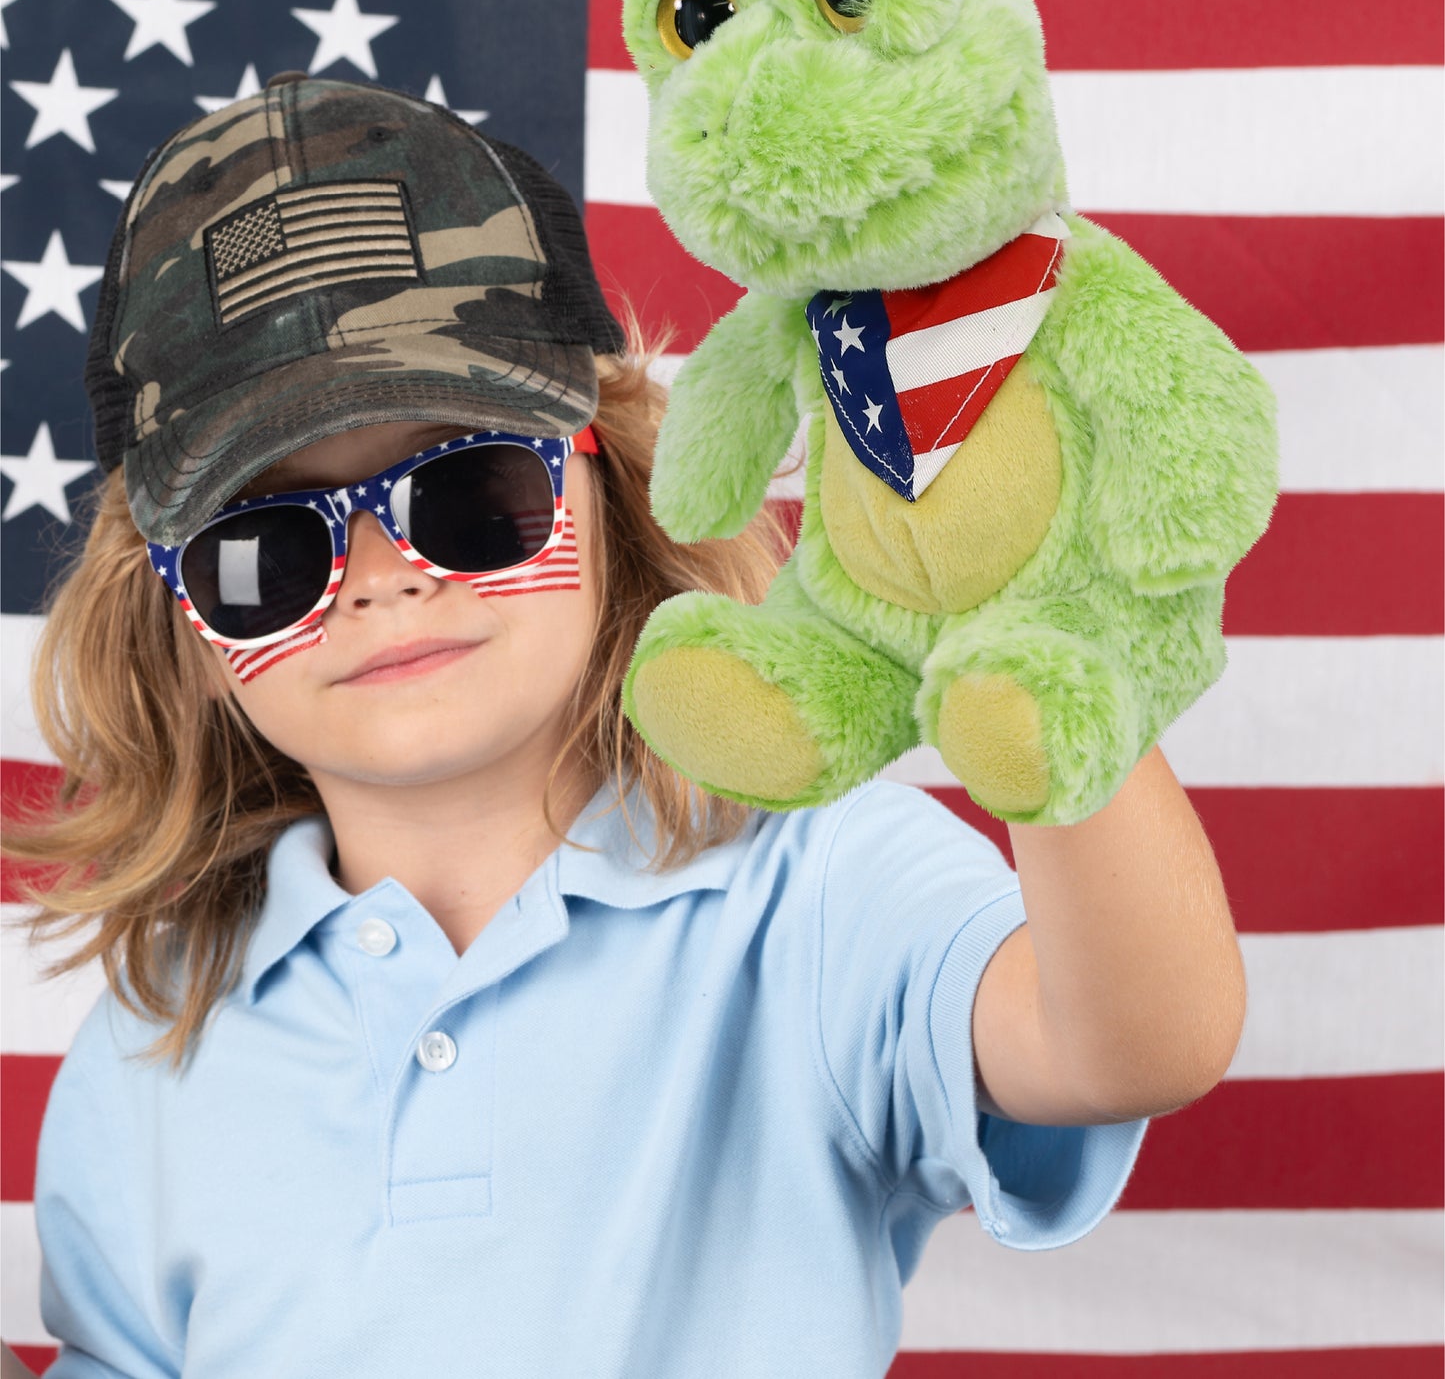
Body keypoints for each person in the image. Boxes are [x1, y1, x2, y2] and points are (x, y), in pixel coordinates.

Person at [6, 75, 1247, 1379]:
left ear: (617, 479)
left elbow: (1131, 1046)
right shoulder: (158, 1033)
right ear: (185, 631)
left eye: (466, 490)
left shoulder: (813, 890)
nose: (380, 576)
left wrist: (1043, 658)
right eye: (261, 549)